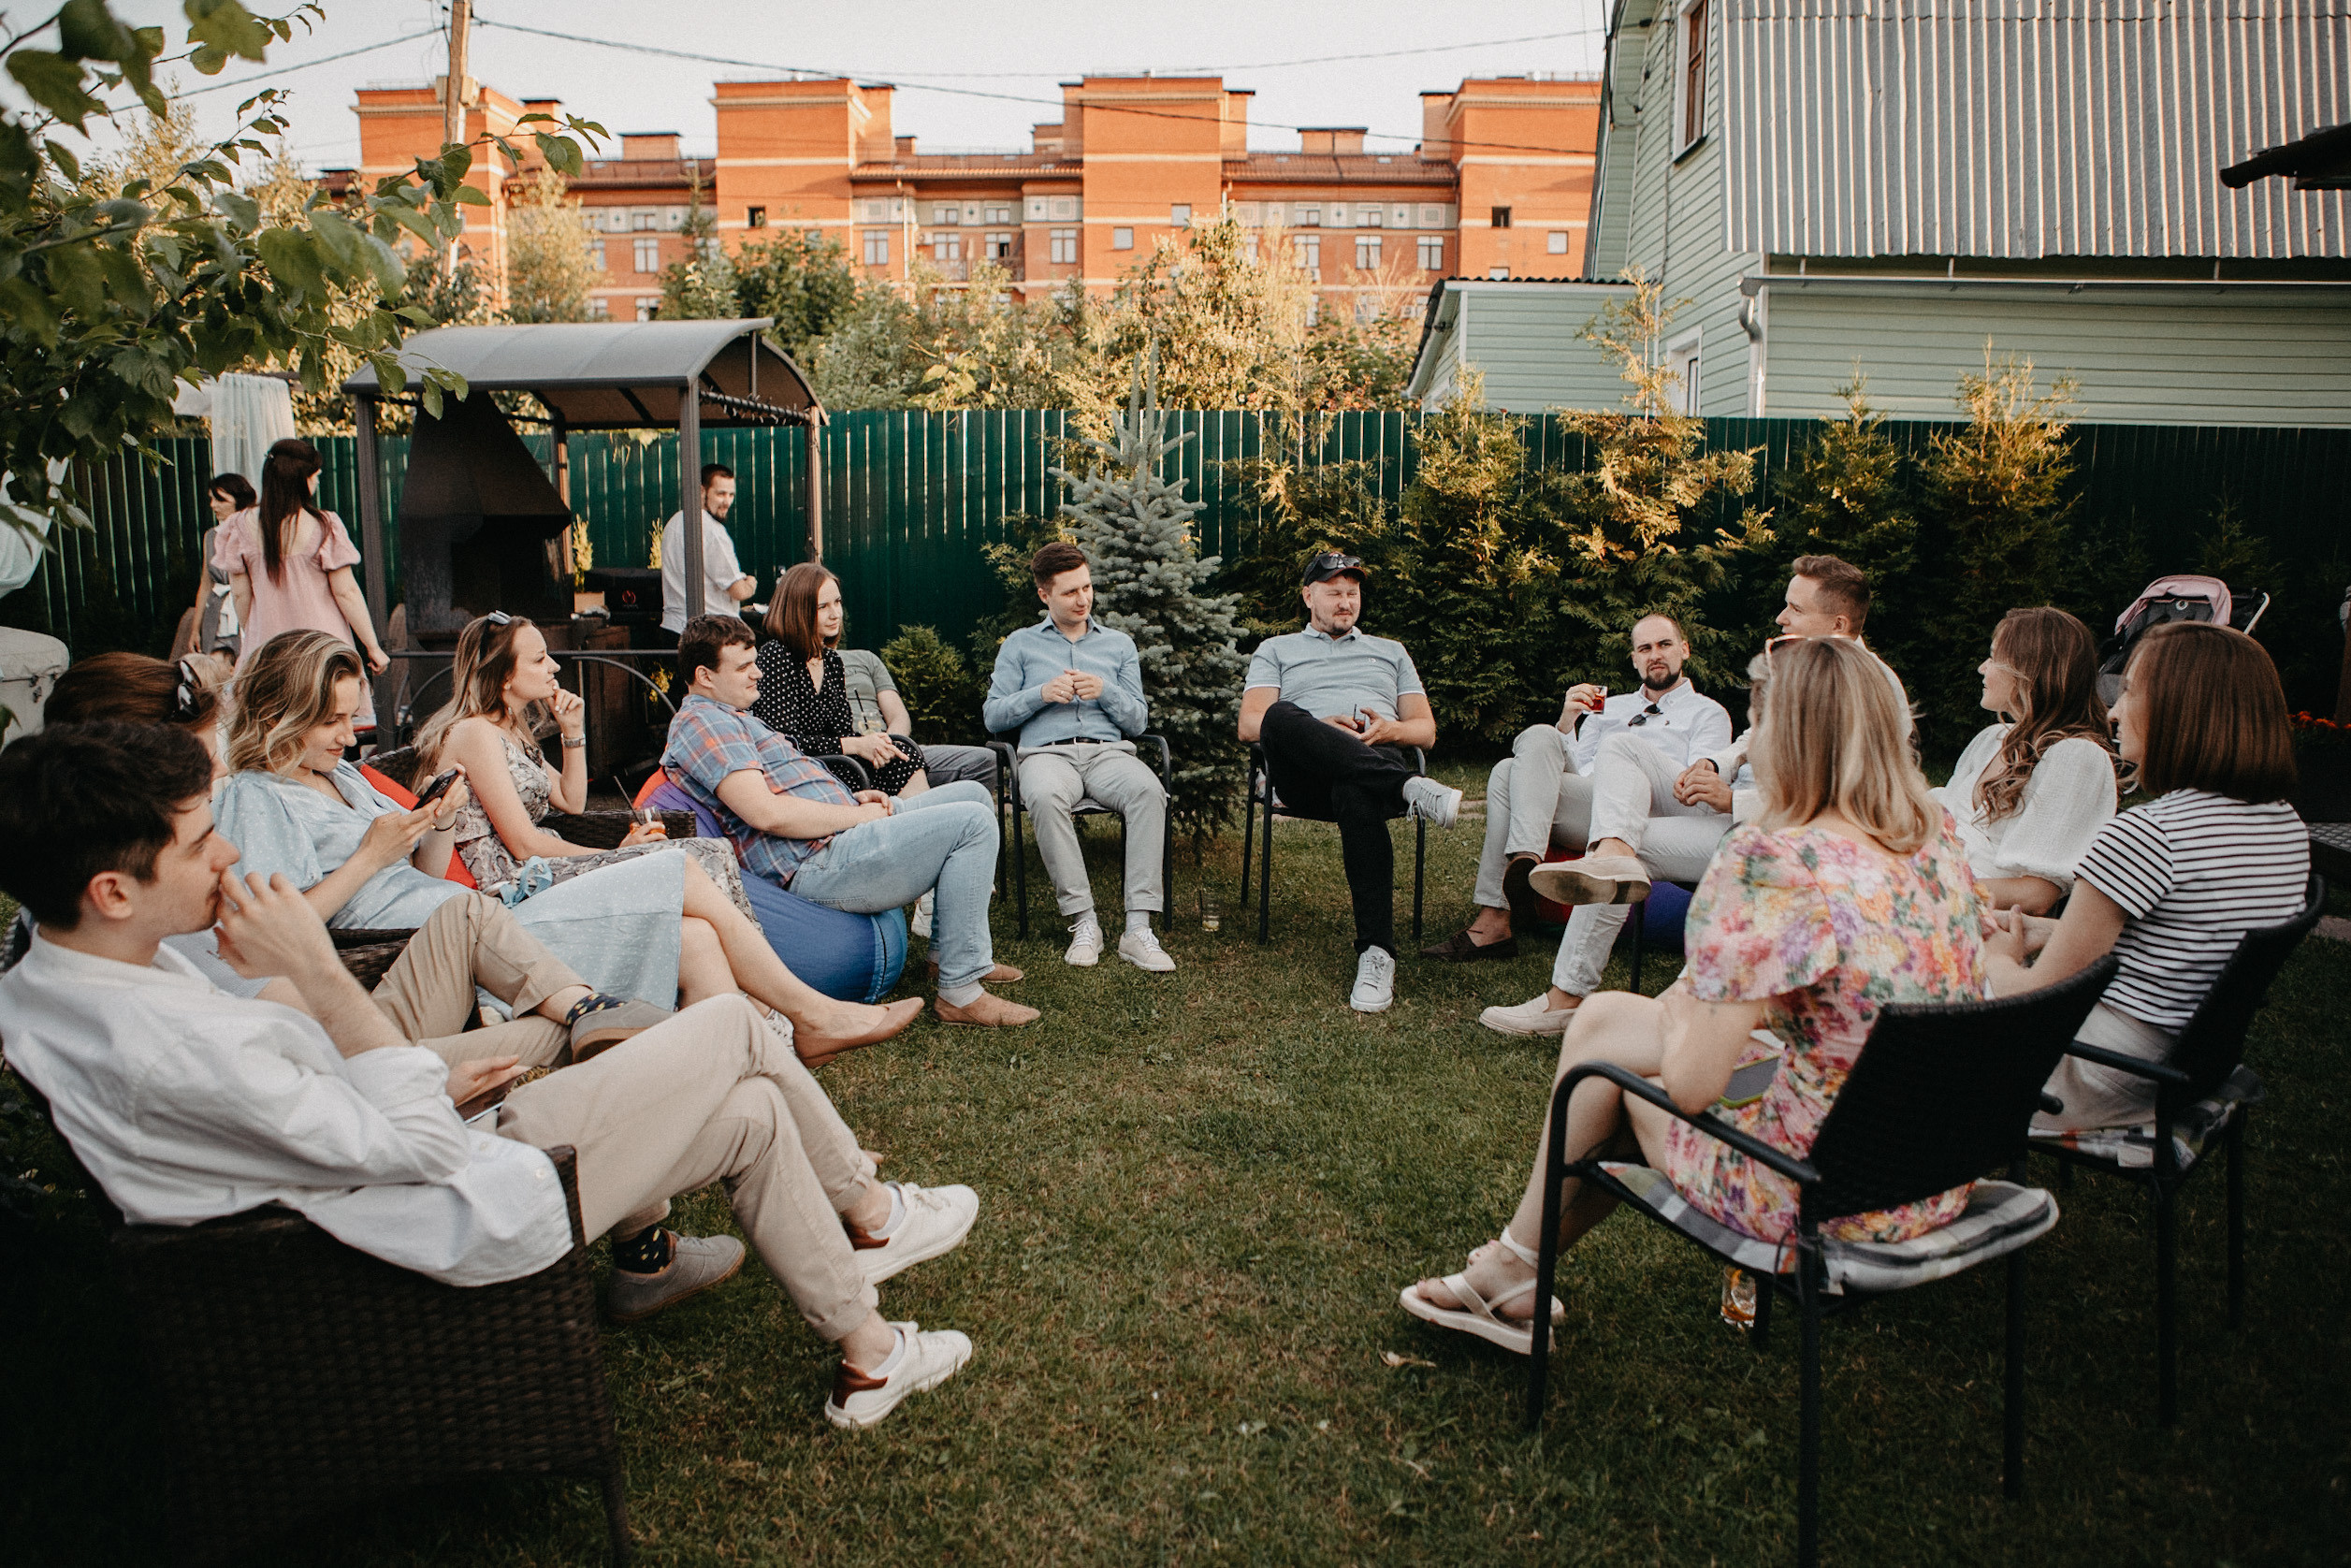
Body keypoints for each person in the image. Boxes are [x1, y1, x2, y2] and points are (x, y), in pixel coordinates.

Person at [0, 722, 980, 1428]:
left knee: (755, 1108)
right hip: (446, 1217)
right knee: (728, 1026)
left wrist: (402, 1062)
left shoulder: (71, 971)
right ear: (113, 888)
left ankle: (870, 1355)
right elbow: (410, 1143)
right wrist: (315, 969)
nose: (226, 854)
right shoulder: (159, 1046)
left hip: (385, 1167)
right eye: (197, 839)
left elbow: (279, 1086)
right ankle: (872, 1212)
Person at [1400, 636, 1988, 1351]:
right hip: (1934, 1170)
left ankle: (1513, 1267)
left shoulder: (1776, 863)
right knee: (1614, 1025)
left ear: (1786, 735)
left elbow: (1689, 1085)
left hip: (1816, 1193)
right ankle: (1513, 1268)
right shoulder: (1934, 841)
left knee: (1608, 1054)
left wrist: (1691, 1002)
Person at [214, 630, 920, 1064]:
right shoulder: (257, 796)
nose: (348, 738)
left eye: (349, 719)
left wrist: (433, 827)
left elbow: (449, 859)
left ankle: (758, 1072)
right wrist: (371, 854)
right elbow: (279, 931)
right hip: (444, 944)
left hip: (468, 914)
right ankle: (810, 1013)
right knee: (676, 864)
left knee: (697, 939)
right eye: (331, 722)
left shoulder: (337, 775)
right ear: (279, 716)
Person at [1984, 621, 2310, 1133]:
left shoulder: (2148, 835)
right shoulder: (2280, 823)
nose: (2112, 710)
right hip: (2181, 1065)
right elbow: (2173, 941)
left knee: (1909, 989)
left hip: (2091, 1073)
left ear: (2183, 710)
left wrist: (1998, 957)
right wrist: (2036, 930)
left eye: (2130, 691)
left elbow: (2033, 1000)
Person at [662, 615, 1037, 1028]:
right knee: (973, 823)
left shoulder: (732, 715)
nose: (758, 673)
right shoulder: (704, 722)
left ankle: (947, 955)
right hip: (817, 861)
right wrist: (855, 815)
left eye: (755, 662)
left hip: (838, 833)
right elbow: (764, 813)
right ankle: (960, 993)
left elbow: (782, 787)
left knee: (974, 795)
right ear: (704, 676)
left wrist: (851, 796)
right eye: (743, 667)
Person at [1512, 554, 1913, 937]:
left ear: (1839, 624)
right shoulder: (1804, 664)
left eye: (1795, 608)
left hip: (1774, 829)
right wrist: (1712, 764)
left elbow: (1844, 801)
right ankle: (1583, 871)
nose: (1781, 617)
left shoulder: (1872, 689)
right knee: (1620, 749)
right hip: (1727, 806)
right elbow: (1751, 741)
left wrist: (1733, 803)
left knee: (1625, 845)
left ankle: (1568, 990)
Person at [1425, 612, 1732, 965]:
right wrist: (1567, 723)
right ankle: (1526, 858)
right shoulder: (1609, 708)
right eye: (1644, 648)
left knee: (1507, 776)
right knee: (1528, 748)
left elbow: (1695, 791)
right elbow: (1580, 767)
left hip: (1647, 812)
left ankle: (1496, 917)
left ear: (1685, 649)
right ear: (1634, 659)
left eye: (1664, 644)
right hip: (1590, 803)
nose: (1655, 654)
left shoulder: (1708, 714)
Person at [1238, 552, 1464, 1015]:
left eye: (1352, 593)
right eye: (1334, 593)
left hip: (1370, 760)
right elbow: (1249, 725)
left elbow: (1425, 730)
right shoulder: (1276, 649)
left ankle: (1376, 952)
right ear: (1308, 596)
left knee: (1354, 790)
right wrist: (1321, 729)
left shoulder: (1391, 650)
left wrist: (1389, 731)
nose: (1345, 603)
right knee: (1279, 716)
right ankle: (1410, 788)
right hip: (1303, 774)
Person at [418, 613, 757, 917]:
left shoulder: (510, 731)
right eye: (539, 660)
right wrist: (614, 854)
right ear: (504, 675)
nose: (554, 666)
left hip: (541, 867)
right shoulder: (475, 733)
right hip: (516, 884)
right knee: (692, 860)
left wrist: (573, 731)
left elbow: (572, 801)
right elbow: (523, 844)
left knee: (713, 850)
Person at [981, 542, 1174, 973]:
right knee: (1046, 799)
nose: (1083, 599)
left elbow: (1138, 722)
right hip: (1045, 757)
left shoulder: (1119, 645)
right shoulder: (1020, 645)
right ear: (1044, 595)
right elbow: (993, 714)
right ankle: (1084, 922)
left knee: (1148, 790)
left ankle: (1138, 929)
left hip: (1109, 754)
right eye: (1070, 592)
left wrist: (1106, 693)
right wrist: (1039, 695)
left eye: (1087, 587)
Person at [1932, 607, 2119, 916]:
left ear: (2029, 671)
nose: (1982, 668)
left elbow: (2036, 894)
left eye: (1992, 658)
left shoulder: (2075, 757)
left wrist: (1927, 886)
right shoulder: (1991, 738)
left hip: (1976, 916)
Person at [213, 438, 390, 726]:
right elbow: (346, 592)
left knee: (273, 730)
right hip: (323, 649)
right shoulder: (324, 525)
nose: (317, 483)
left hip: (269, 650)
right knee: (327, 727)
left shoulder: (239, 525)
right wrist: (373, 647)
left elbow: (241, 596)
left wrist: (254, 630)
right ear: (302, 481)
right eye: (315, 477)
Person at [755, 563, 932, 798]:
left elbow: (841, 731)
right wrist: (856, 745)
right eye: (823, 606)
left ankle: (915, 826)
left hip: (838, 765)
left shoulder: (831, 661)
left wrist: (874, 743)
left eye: (837, 602)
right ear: (798, 610)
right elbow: (780, 741)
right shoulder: (776, 655)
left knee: (902, 752)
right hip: (798, 772)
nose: (835, 614)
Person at [659, 464, 756, 644]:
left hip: (674, 629)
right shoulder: (712, 531)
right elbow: (739, 591)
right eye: (720, 494)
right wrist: (750, 582)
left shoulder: (674, 523)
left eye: (731, 495)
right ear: (702, 491)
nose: (727, 501)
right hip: (710, 634)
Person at [178, 472, 254, 661]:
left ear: (238, 500)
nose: (213, 505)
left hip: (246, 611)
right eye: (212, 499)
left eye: (220, 500)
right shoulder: (211, 536)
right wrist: (195, 630)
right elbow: (205, 584)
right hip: (216, 614)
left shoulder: (254, 532)